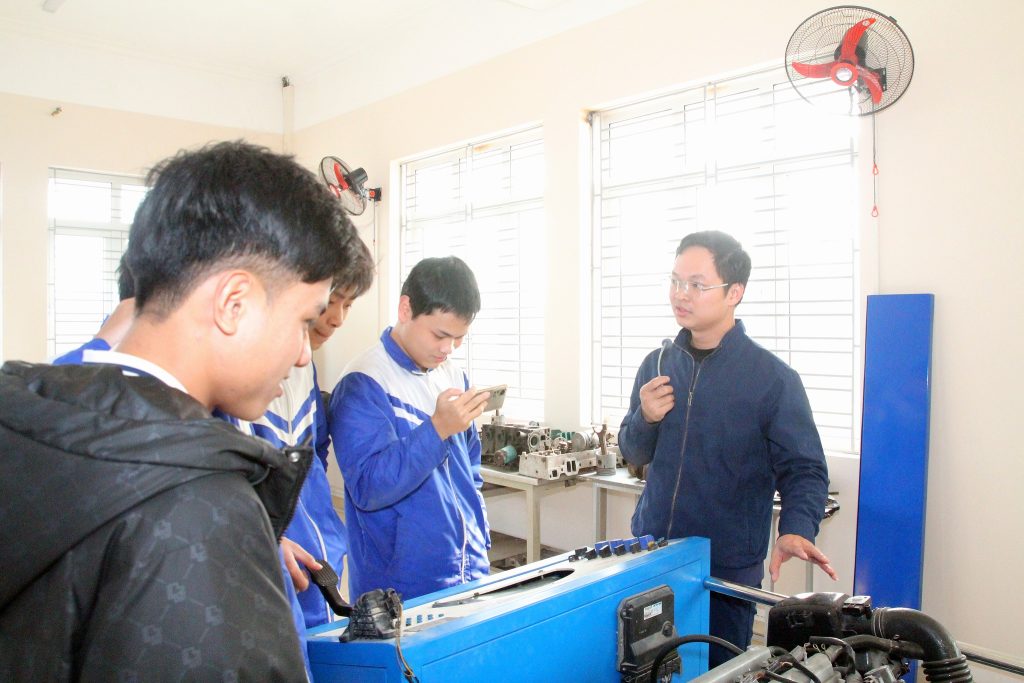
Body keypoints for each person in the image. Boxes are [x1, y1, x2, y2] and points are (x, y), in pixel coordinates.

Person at [0, 141, 357, 681]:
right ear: (234, 303)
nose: (305, 354)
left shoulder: (32, 415)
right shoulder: (200, 507)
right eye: (305, 321)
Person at [617, 230, 834, 667]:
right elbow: (633, 452)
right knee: (646, 667)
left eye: (696, 284)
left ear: (735, 292)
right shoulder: (657, 365)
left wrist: (796, 527)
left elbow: (805, 469)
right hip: (652, 551)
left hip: (724, 568)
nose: (680, 294)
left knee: (716, 669)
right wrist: (645, 417)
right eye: (675, 281)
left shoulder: (772, 380)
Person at [222, 238, 375, 629]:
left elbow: (315, 451)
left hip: (319, 555)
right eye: (331, 300)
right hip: (268, 562)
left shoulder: (306, 367)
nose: (337, 318)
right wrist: (265, 535)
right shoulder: (229, 380)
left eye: (348, 305)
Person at [329, 256, 492, 602]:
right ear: (406, 309)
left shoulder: (453, 376)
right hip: (400, 588)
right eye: (440, 335)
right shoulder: (364, 382)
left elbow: (471, 469)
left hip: (469, 570)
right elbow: (369, 486)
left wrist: (478, 532)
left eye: (459, 338)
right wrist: (436, 429)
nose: (448, 349)